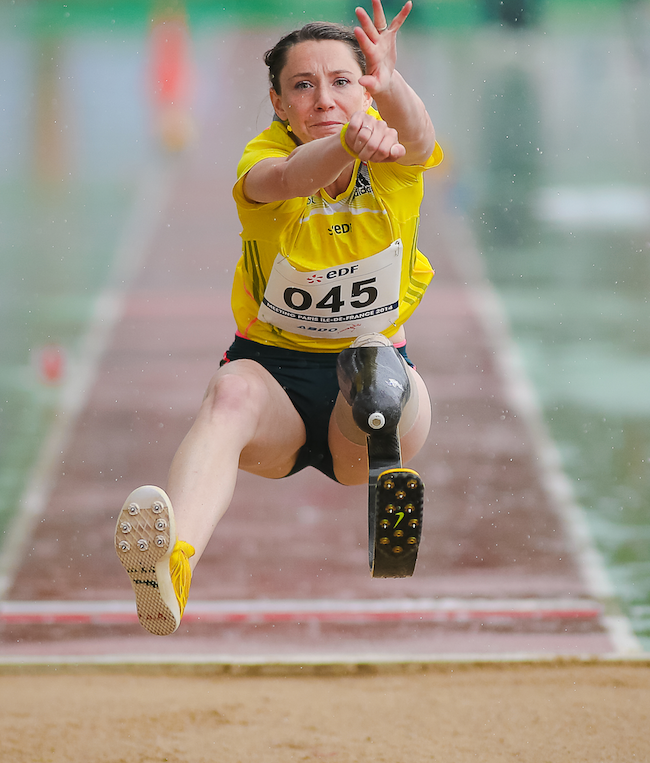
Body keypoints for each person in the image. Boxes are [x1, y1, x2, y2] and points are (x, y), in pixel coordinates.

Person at [113, 0, 443, 636]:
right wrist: (349, 141)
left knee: (372, 367)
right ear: (278, 102)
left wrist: (392, 85)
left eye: (342, 82)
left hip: (376, 400)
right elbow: (290, 178)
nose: (323, 99)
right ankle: (172, 565)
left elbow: (423, 141)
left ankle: (386, 486)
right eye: (303, 86)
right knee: (229, 391)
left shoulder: (391, 147)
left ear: (367, 87)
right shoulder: (259, 162)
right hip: (277, 390)